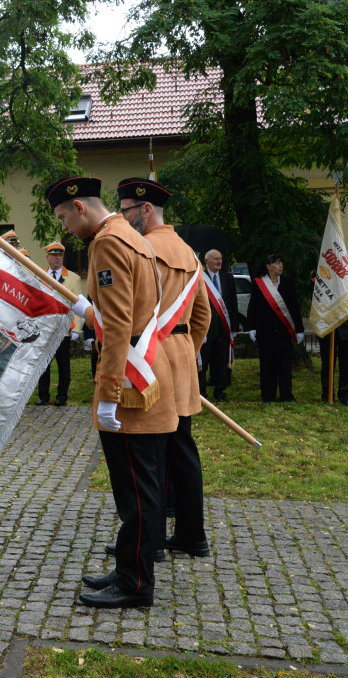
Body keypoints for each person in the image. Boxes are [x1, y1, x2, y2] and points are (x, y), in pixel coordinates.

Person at [50, 175, 177, 609]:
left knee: (137, 491)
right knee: (142, 485)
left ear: (80, 208)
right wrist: (87, 309)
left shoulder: (105, 243)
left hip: (129, 383)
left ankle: (136, 584)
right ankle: (128, 568)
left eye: (64, 216)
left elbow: (121, 323)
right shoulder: (132, 236)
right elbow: (127, 310)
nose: (64, 227)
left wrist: (107, 393)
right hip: (145, 369)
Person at [118, 177, 211, 561]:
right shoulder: (189, 253)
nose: (122, 220)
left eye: (125, 212)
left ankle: (150, 541)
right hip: (182, 359)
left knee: (150, 458)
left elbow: (131, 311)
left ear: (144, 209)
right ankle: (192, 536)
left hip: (149, 361)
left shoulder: (139, 249)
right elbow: (202, 315)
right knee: (182, 453)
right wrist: (188, 351)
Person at [247, 254, 304, 402]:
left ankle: (286, 394)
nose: (280, 266)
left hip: (283, 332)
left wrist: (299, 329)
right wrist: (251, 327)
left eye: (281, 263)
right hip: (265, 331)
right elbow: (253, 306)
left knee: (284, 364)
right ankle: (268, 395)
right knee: (267, 364)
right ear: (268, 266)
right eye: (277, 263)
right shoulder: (259, 284)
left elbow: (294, 308)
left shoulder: (287, 283)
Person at [37, 240, 81, 406]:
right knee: (43, 366)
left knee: (64, 367)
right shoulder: (39, 275)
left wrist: (77, 328)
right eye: (53, 255)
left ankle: (62, 397)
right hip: (46, 329)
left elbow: (78, 305)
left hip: (64, 330)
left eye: (60, 255)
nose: (57, 258)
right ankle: (43, 396)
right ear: (47, 257)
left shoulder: (74, 279)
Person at [198, 249, 239, 402]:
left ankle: (220, 391)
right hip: (206, 329)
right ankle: (201, 393)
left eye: (220, 259)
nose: (219, 261)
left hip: (223, 328)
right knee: (203, 362)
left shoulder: (228, 278)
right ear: (207, 261)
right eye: (215, 259)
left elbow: (232, 303)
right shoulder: (200, 278)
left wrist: (234, 327)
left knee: (222, 362)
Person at [318, 271, 348, 406]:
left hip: (347, 327)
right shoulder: (323, 276)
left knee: (347, 364)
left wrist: (343, 300)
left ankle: (346, 395)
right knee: (327, 363)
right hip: (327, 327)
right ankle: (327, 394)